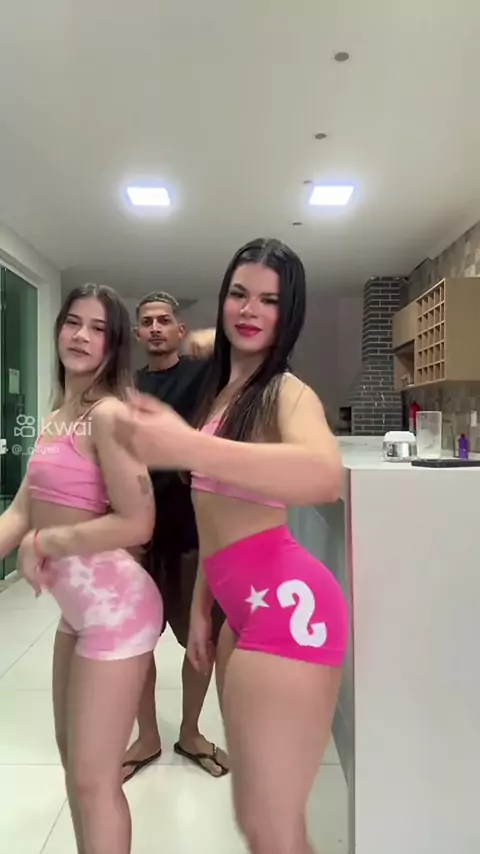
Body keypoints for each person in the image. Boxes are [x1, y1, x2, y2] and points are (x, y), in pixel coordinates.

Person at [114, 238, 349, 854]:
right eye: (239, 294)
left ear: (289, 312)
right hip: (238, 607)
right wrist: (201, 606)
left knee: (271, 823)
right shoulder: (224, 393)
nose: (250, 309)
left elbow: (324, 476)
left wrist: (187, 447)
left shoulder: (284, 392)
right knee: (256, 814)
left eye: (270, 300)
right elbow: (213, 517)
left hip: (289, 612)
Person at [0, 283, 163, 854]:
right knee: (75, 766)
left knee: (95, 782)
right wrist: (31, 534)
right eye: (73, 322)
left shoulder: (109, 415)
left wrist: (51, 540)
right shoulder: (56, 419)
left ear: (113, 345)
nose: (81, 336)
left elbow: (139, 521)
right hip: (78, 612)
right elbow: (21, 511)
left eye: (97, 328)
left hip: (118, 611)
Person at [121, 291, 229, 782]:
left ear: (179, 330)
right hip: (136, 534)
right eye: (147, 322)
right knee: (135, 643)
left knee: (202, 641)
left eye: (165, 320)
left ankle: (190, 731)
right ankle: (146, 735)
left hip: (194, 532)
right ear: (138, 334)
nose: (156, 328)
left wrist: (212, 337)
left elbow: (256, 350)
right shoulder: (126, 388)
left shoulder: (203, 374)